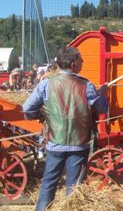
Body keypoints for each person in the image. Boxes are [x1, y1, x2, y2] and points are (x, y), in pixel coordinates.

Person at [23, 46, 109, 211]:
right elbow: (101, 109)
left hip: (55, 143)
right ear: (72, 63)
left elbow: (27, 109)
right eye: (80, 59)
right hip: (79, 144)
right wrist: (102, 94)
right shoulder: (86, 86)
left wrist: (41, 116)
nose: (82, 61)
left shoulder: (46, 85)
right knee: (75, 188)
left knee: (48, 183)